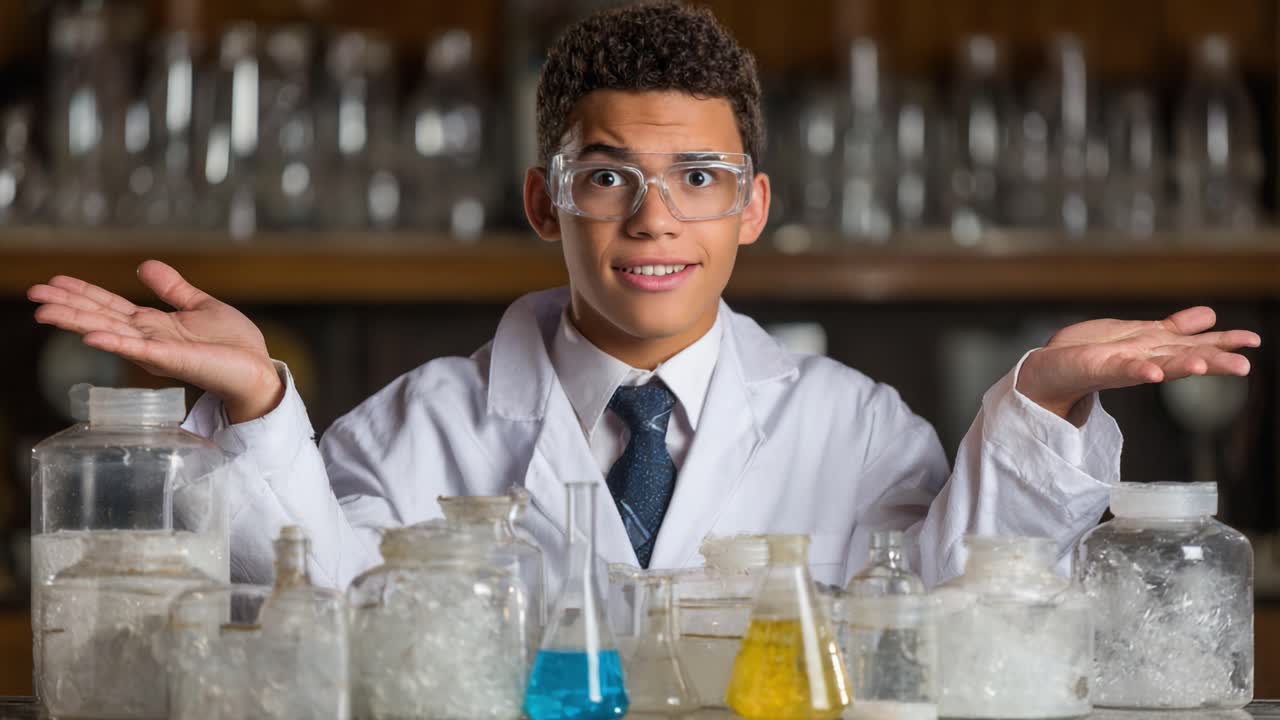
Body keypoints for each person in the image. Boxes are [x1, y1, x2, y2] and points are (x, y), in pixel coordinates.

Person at [27, 2, 1259, 591]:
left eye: (697, 176)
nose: (653, 216)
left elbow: (965, 607)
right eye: (605, 174)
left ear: (751, 208)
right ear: (543, 201)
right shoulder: (426, 425)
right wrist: (254, 408)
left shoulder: (854, 425)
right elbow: (306, 603)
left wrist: (1033, 405)